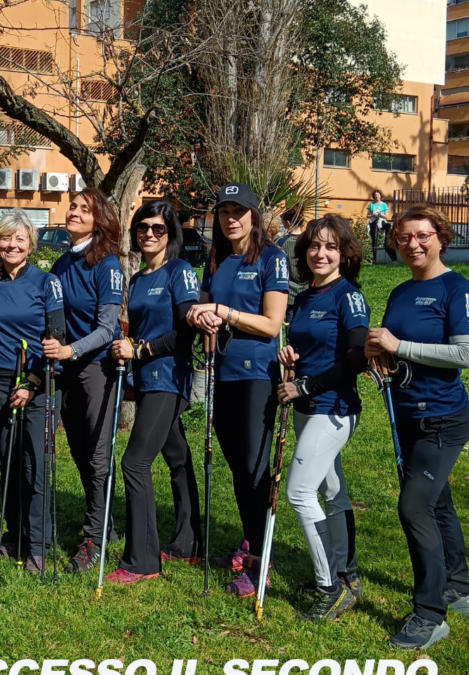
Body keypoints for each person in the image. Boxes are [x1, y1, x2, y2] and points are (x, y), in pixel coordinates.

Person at [364, 204, 469, 650]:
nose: (412, 243)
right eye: (403, 236)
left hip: (443, 420)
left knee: (414, 508)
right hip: (408, 416)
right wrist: (382, 353)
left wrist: (399, 344)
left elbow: (465, 354)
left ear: (440, 237)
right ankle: (459, 587)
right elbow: (397, 349)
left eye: (422, 235)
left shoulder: (458, 289)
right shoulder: (400, 292)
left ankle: (430, 614)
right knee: (437, 502)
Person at [186, 182, 289, 598]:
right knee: (236, 465)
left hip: (257, 374)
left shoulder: (271, 258)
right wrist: (200, 317)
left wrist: (223, 313)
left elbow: (271, 324)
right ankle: (251, 537)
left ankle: (260, 559)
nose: (231, 219)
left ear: (253, 215)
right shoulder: (216, 259)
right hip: (222, 372)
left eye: (239, 211)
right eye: (224, 212)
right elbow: (203, 306)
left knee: (252, 468)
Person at [275, 214, 368, 620]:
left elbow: (356, 359)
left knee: (299, 492)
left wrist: (305, 386)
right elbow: (309, 349)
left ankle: (329, 586)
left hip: (333, 409)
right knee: (332, 493)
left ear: (344, 254)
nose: (321, 253)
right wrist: (290, 361)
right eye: (314, 246)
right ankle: (346, 573)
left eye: (331, 246)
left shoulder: (348, 296)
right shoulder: (306, 297)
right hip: (305, 407)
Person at [105, 200, 201, 585]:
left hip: (169, 378)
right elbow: (137, 326)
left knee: (135, 463)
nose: (148, 234)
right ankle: (188, 541)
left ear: (170, 233)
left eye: (157, 229)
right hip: (145, 380)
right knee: (176, 455)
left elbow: (186, 332)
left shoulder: (181, 272)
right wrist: (126, 345)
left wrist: (141, 350)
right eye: (142, 227)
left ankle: (141, 560)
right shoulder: (139, 278)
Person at [41, 188, 124, 574]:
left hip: (95, 369)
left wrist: (71, 351)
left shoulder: (107, 265)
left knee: (97, 455)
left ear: (99, 220)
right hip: (66, 370)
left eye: (83, 209)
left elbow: (108, 328)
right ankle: (102, 522)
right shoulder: (61, 264)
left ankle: (95, 537)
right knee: (78, 452)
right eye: (72, 206)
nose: (73, 212)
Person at [0, 210, 65, 573]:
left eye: (20, 239)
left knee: (36, 464)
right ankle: (13, 535)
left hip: (38, 380)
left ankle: (39, 544)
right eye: (5, 238)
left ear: (31, 244)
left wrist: (32, 385)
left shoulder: (47, 283)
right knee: (10, 461)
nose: (12, 245)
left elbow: (57, 336)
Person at [275, 207, 307, 310]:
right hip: (308, 291)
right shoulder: (310, 242)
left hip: (288, 293)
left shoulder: (280, 242)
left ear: (288, 223)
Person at [366, 190, 394, 263]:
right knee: (373, 240)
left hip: (381, 221)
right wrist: (373, 215)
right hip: (373, 221)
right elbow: (367, 215)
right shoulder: (371, 204)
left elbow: (386, 216)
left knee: (387, 226)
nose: (376, 196)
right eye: (375, 195)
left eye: (378, 195)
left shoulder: (384, 204)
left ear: (380, 196)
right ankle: (374, 259)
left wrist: (380, 214)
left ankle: (386, 241)